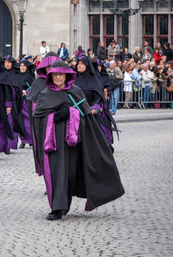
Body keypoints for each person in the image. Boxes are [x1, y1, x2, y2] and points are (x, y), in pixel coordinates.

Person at [33, 60, 125, 220]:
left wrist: (70, 112)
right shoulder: (45, 94)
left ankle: (64, 205)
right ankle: (57, 208)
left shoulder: (75, 92)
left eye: (61, 74)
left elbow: (87, 117)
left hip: (73, 142)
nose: (58, 77)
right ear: (51, 76)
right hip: (53, 142)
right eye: (55, 75)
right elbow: (38, 118)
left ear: (67, 76)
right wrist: (53, 116)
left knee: (69, 173)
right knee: (56, 173)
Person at [26, 52, 60, 175]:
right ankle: (49, 180)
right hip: (44, 127)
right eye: (48, 66)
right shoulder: (38, 83)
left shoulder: (64, 84)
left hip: (61, 127)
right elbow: (33, 105)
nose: (51, 69)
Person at [74, 55, 117, 145]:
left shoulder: (93, 80)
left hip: (91, 114)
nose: (79, 65)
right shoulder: (73, 80)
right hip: (76, 114)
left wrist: (94, 108)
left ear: (87, 66)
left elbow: (98, 96)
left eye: (82, 64)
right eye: (78, 64)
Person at [3, 55, 25, 152]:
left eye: (9, 62)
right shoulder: (1, 73)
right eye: (5, 62)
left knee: (11, 122)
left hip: (13, 102)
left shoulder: (16, 74)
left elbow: (18, 88)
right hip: (1, 101)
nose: (7, 64)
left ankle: (10, 144)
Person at [19, 59, 36, 149]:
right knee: (20, 121)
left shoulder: (31, 77)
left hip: (27, 101)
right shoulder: (17, 76)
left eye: (24, 66)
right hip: (19, 101)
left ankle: (30, 140)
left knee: (28, 121)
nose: (22, 68)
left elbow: (34, 89)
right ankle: (22, 140)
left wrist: (27, 91)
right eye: (21, 66)